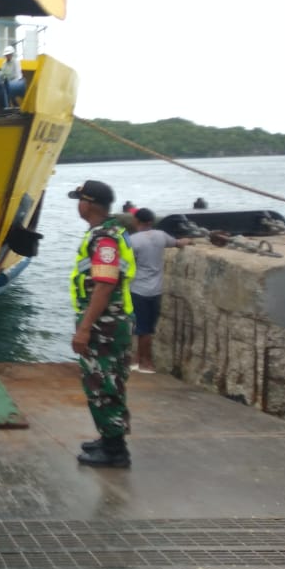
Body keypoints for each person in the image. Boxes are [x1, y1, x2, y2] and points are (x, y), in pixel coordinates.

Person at [68, 179, 137, 468]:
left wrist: (85, 328)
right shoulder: (105, 233)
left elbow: (105, 285)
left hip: (103, 327)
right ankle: (109, 438)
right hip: (108, 323)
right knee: (106, 382)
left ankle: (115, 450)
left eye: (80, 200)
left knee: (103, 384)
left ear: (90, 204)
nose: (78, 205)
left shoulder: (104, 239)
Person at [129, 207, 191, 373]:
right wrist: (188, 240)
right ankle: (143, 362)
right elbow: (178, 243)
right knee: (147, 328)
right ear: (151, 222)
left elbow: (125, 260)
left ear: (136, 222)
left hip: (138, 289)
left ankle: (142, 362)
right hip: (155, 290)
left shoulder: (133, 240)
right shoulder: (161, 236)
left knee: (141, 328)